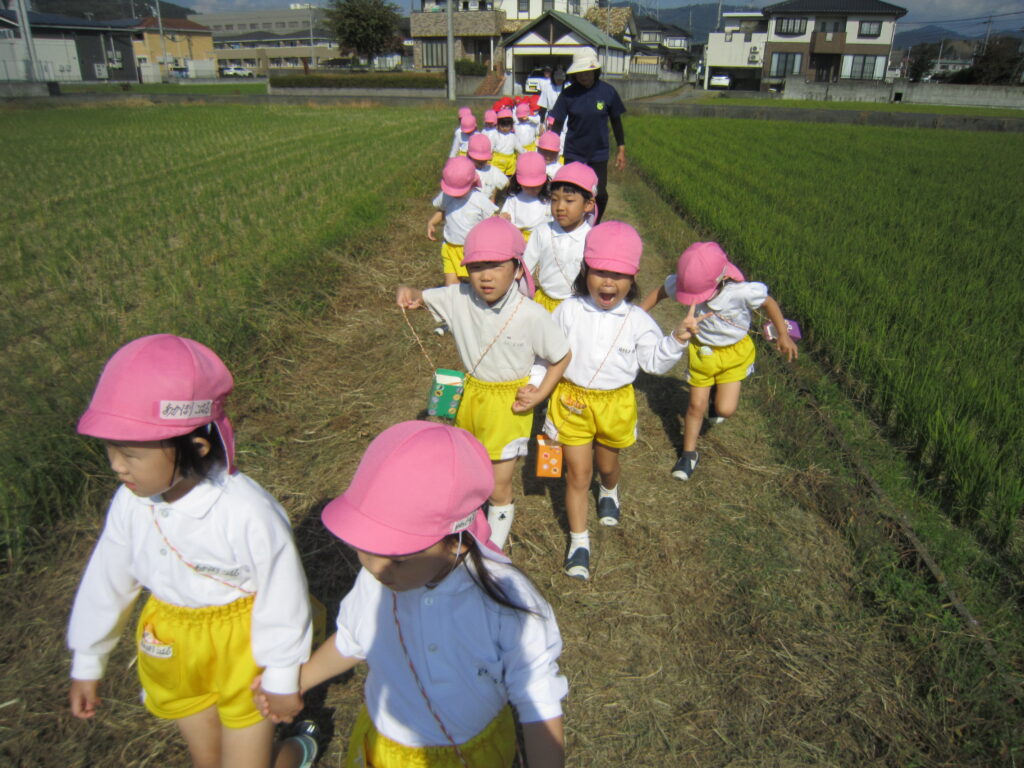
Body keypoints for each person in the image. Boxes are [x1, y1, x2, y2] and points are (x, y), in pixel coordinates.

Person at [66, 334, 317, 768]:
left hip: (242, 645)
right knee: (208, 760)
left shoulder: (246, 511)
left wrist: (281, 674)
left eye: (130, 454)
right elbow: (108, 578)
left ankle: (297, 749)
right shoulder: (130, 503)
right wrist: (88, 659)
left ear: (196, 447)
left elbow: (283, 592)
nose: (116, 466)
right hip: (170, 642)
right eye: (111, 450)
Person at [259, 420, 568, 768]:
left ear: (458, 542)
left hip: (473, 754)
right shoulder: (379, 580)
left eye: (398, 557)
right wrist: (297, 682)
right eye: (365, 546)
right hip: (385, 746)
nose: (376, 568)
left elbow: (538, 698)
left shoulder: (505, 601)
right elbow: (353, 639)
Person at [397, 217, 571, 548]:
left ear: (517, 269)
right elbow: (421, 297)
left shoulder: (532, 315)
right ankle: (465, 524)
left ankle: (492, 547)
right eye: (476, 267)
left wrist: (540, 394)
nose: (485, 276)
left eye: (495, 266)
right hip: (471, 396)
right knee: (470, 469)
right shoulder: (458, 297)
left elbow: (561, 356)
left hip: (509, 406)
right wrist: (408, 292)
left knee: (498, 483)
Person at [546, 222, 692, 581]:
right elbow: (547, 353)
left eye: (619, 275)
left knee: (607, 465)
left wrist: (676, 339)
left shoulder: (638, 320)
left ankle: (610, 489)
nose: (608, 282)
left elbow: (654, 362)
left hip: (615, 405)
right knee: (578, 474)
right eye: (600, 272)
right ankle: (579, 541)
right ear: (586, 270)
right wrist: (537, 387)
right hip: (571, 402)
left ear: (634, 277)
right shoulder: (567, 310)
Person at [639, 242, 798, 481]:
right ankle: (688, 454)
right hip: (703, 353)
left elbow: (769, 303)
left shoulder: (741, 292)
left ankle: (716, 395)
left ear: (721, 279)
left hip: (734, 355)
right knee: (695, 406)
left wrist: (783, 335)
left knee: (725, 409)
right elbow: (660, 292)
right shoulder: (686, 282)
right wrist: (636, 316)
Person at [547, 48, 626, 224]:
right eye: (580, 73)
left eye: (587, 72)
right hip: (574, 151)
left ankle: (593, 224)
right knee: (571, 191)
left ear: (595, 71)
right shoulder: (568, 94)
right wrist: (552, 146)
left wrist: (621, 149)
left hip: (598, 153)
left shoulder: (607, 92)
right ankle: (571, 222)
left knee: (600, 194)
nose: (584, 76)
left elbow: (616, 121)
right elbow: (557, 122)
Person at [522, 162, 597, 312]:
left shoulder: (592, 239)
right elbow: (525, 270)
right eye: (554, 199)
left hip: (576, 308)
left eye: (569, 201)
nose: (560, 207)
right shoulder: (542, 232)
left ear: (588, 204)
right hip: (542, 304)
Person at [428, 156, 499, 286]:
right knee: (451, 286)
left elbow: (492, 219)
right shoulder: (446, 195)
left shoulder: (478, 199)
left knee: (477, 284)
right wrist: (432, 222)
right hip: (450, 247)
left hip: (472, 249)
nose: (455, 194)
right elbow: (442, 210)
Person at [499, 151, 551, 241]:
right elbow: (506, 218)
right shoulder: (514, 198)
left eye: (536, 186)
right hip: (519, 238)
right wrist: (505, 218)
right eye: (527, 186)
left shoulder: (549, 198)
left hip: (543, 238)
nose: (532, 189)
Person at [468, 133, 510, 203]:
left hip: (486, 206)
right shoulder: (465, 170)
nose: (481, 162)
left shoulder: (492, 171)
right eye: (477, 160)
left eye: (484, 160)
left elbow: (507, 184)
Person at [490, 107, 524, 177]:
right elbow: (491, 146)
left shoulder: (513, 136)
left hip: (510, 160)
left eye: (507, 125)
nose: (505, 128)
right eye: (502, 125)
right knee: (498, 176)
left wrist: (525, 153)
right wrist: (489, 154)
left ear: (511, 125)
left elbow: (519, 147)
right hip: (498, 159)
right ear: (498, 124)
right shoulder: (495, 135)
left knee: (510, 176)